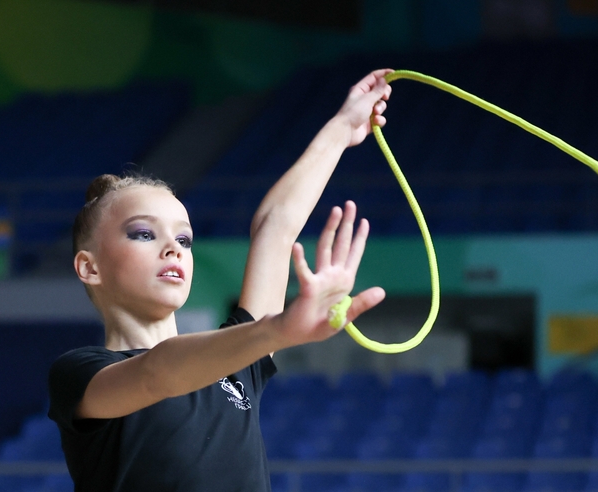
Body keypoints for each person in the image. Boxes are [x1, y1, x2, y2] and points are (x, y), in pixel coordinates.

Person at [48, 69, 392, 491]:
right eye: (143, 233)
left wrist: (343, 127)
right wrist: (275, 331)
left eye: (184, 238)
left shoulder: (237, 362)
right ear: (90, 267)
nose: (173, 248)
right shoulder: (78, 374)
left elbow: (275, 227)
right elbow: (157, 373)